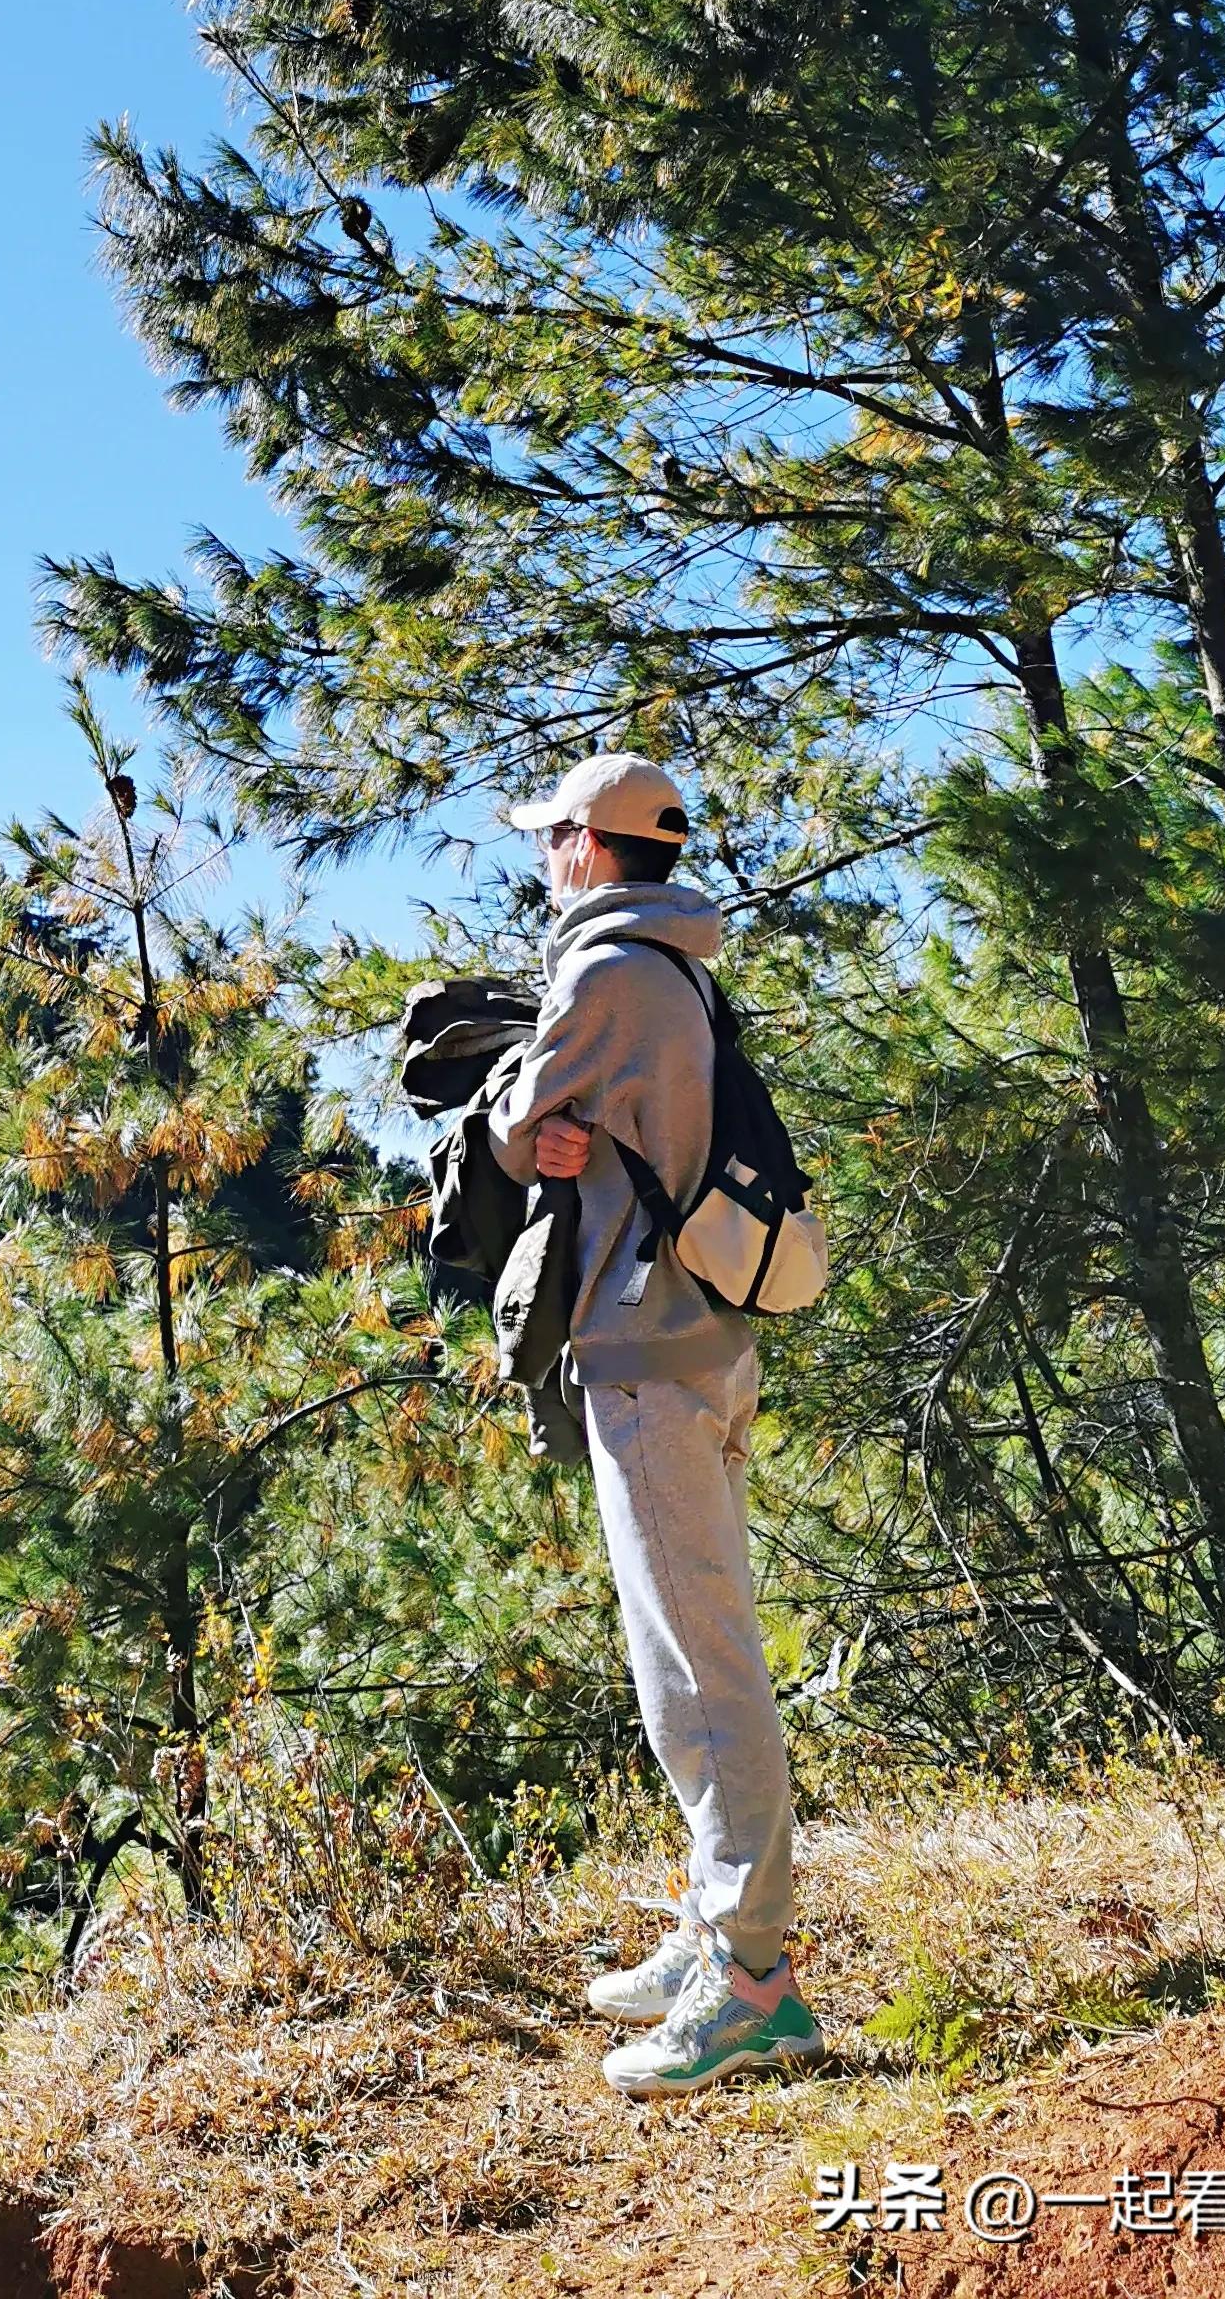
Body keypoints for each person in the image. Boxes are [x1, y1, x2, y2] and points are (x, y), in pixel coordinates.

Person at [491, 750, 822, 2095]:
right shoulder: (676, 963)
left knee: (703, 1666)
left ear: (591, 846)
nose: (541, 856)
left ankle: (756, 1987)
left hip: (649, 1346)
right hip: (694, 1337)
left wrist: (535, 1124)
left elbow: (518, 1116)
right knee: (680, 1664)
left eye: (550, 835)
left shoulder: (609, 970)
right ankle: (712, 1934)